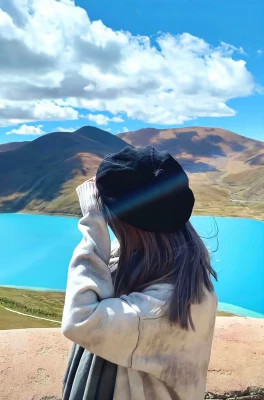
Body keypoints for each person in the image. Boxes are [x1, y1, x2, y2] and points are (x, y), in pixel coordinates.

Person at [61, 144, 218, 400]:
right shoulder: (182, 273)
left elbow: (80, 320)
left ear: (129, 228)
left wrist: (92, 222)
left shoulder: (161, 307)